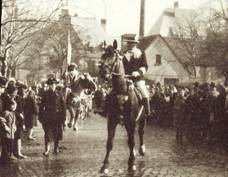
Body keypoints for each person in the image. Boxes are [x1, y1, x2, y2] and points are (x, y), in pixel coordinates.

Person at [122, 38, 151, 117]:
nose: (129, 45)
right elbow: (122, 66)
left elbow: (145, 66)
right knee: (113, 90)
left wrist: (139, 72)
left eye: (131, 44)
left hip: (137, 79)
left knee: (144, 92)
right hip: (126, 78)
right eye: (128, 43)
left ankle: (147, 111)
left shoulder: (141, 53)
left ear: (135, 44)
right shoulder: (125, 54)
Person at [39, 77, 66, 156]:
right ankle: (47, 149)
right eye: (50, 84)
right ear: (48, 85)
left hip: (57, 116)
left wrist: (64, 117)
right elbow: (41, 106)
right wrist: (40, 116)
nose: (52, 86)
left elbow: (63, 106)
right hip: (48, 116)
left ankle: (56, 148)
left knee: (57, 133)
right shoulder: (45, 93)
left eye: (53, 84)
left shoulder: (59, 93)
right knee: (47, 133)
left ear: (55, 85)